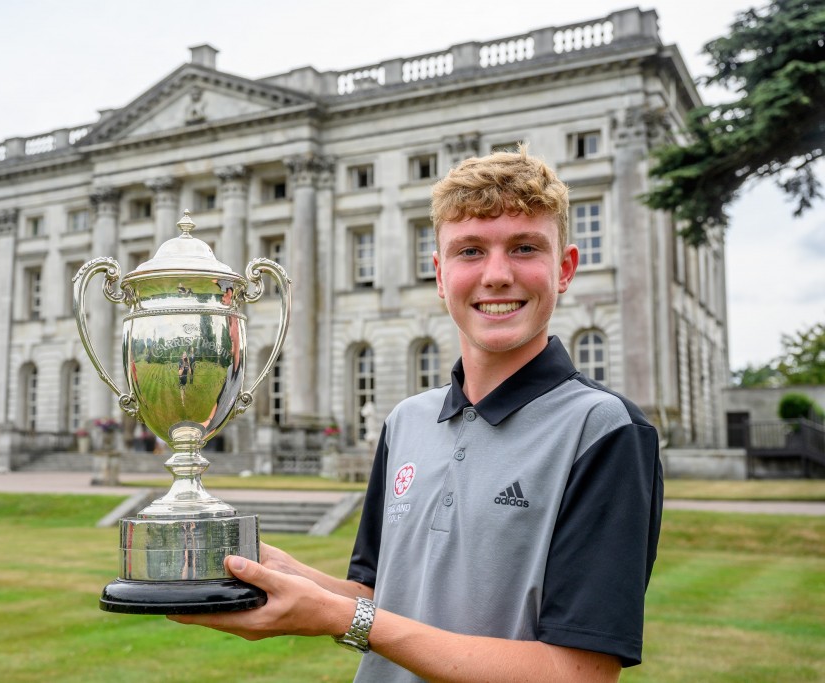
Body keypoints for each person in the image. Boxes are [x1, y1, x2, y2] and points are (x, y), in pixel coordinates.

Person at [171, 148, 663, 683]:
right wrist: (287, 576)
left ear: (564, 268)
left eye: (524, 248)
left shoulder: (604, 429)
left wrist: (341, 617)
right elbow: (381, 598)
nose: (496, 275)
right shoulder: (406, 421)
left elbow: (576, 674)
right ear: (438, 273)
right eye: (470, 251)